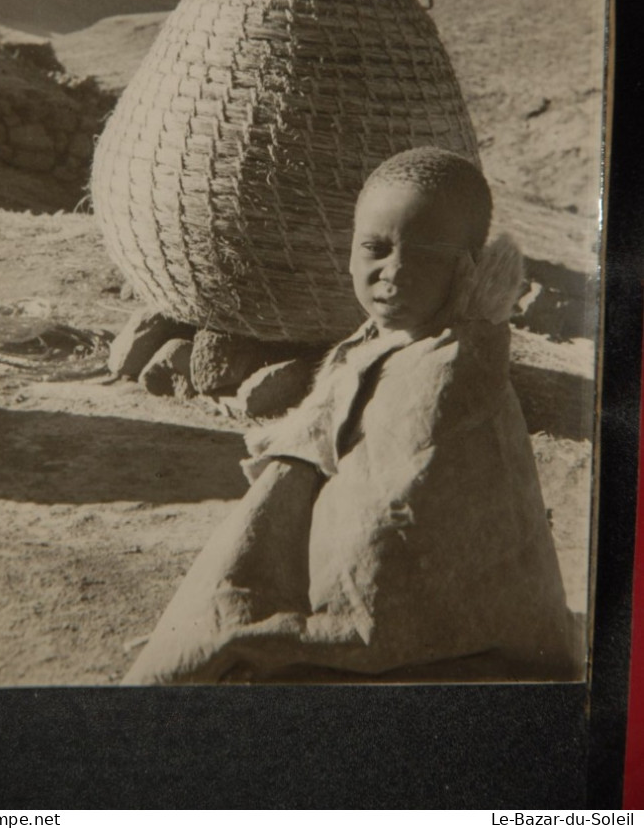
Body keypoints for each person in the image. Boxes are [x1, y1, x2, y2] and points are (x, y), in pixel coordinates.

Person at [123, 146, 579, 685]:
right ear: (350, 250)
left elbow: (396, 506)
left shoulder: (455, 368)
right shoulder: (384, 338)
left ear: (467, 269)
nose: (393, 272)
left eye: (426, 255)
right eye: (376, 248)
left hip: (419, 587)